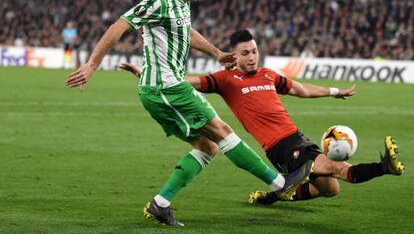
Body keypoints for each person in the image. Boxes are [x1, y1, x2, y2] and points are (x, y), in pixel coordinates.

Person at [65, 0, 310, 227]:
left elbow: (187, 32)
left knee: (207, 147)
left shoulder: (182, 4)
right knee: (223, 132)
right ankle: (279, 183)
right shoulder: (157, 2)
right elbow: (118, 27)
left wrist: (216, 52)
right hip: (167, 88)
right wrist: (91, 65)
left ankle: (161, 204)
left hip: (162, 89)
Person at [120, 29, 405, 206]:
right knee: (339, 170)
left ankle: (270, 196)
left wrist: (334, 91)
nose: (252, 56)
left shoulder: (268, 74)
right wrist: (146, 74)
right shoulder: (226, 79)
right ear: (236, 55)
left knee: (330, 189)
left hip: (298, 138)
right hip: (280, 147)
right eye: (245, 53)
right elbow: (186, 81)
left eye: (254, 51)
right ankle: (385, 167)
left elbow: (302, 89)